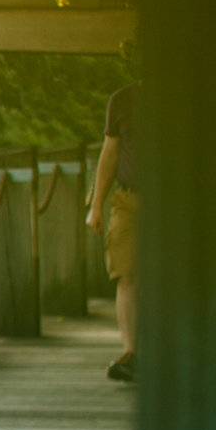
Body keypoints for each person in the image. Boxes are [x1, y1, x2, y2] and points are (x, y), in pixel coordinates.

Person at [88, 81, 140, 381]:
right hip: (130, 200)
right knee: (126, 274)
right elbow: (110, 153)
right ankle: (132, 354)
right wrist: (96, 205)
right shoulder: (122, 100)